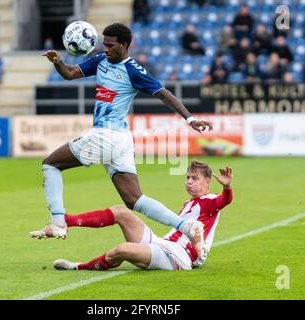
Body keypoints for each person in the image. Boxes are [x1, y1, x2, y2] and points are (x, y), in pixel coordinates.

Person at [30, 23, 213, 258]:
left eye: (110, 45)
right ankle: (187, 227)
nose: (105, 49)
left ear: (125, 45)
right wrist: (57, 61)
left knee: (50, 164)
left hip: (106, 136)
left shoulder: (134, 70)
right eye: (103, 44)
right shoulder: (99, 61)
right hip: (120, 139)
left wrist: (190, 119)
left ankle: (57, 221)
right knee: (134, 200)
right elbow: (70, 74)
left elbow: (163, 93)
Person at [53, 161, 233, 271]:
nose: (189, 182)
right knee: (121, 211)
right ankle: (65, 221)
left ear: (208, 182)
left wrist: (227, 187)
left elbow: (223, 201)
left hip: (178, 256)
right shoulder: (189, 203)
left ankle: (78, 266)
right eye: (187, 177)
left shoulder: (209, 200)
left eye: (194, 178)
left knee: (122, 249)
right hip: (162, 243)